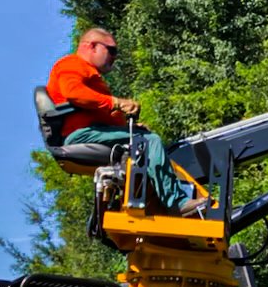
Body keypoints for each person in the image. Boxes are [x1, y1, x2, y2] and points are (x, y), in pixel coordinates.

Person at [46, 28, 206, 216]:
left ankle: (157, 204)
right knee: (150, 141)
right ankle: (177, 202)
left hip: (94, 131)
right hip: (83, 133)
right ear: (92, 46)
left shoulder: (89, 74)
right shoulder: (72, 63)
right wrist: (117, 102)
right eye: (111, 50)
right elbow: (74, 93)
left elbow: (96, 110)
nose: (114, 57)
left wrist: (127, 127)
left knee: (144, 141)